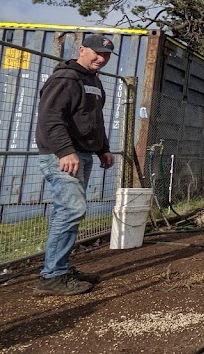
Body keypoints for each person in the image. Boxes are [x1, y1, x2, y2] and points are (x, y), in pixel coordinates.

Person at [35, 33, 117, 295]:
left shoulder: (93, 81)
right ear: (82, 50)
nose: (100, 59)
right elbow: (50, 118)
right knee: (71, 209)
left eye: (105, 56)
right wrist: (64, 151)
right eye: (96, 53)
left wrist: (103, 148)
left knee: (71, 211)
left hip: (81, 154)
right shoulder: (65, 78)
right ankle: (52, 277)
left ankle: (60, 268)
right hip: (62, 156)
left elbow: (95, 120)